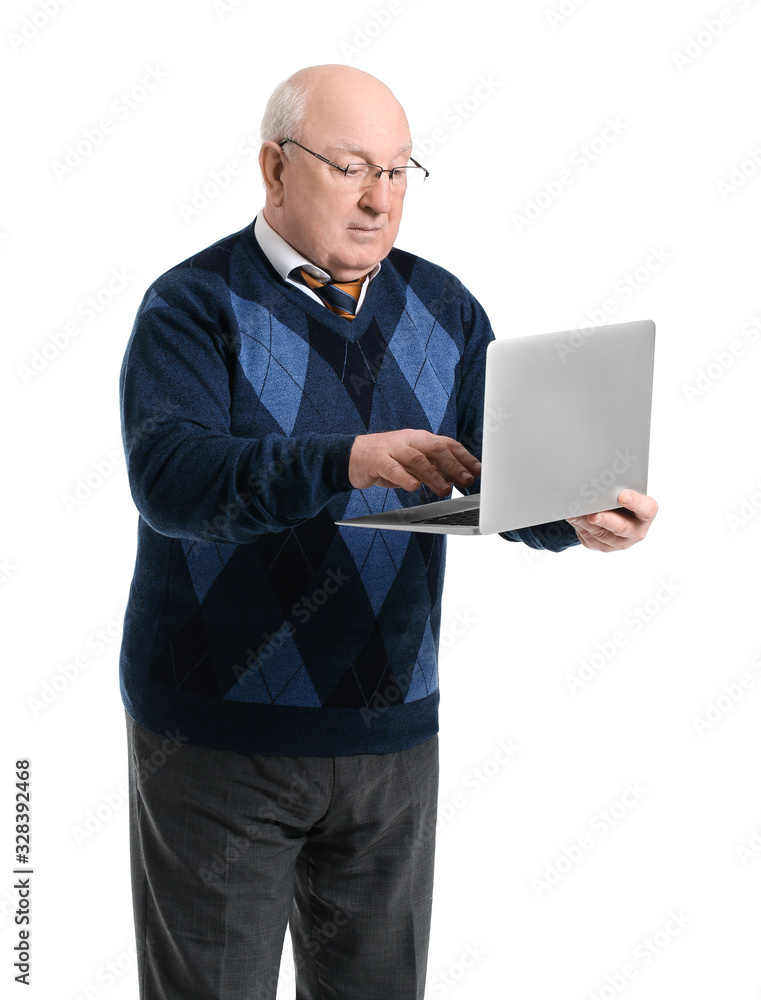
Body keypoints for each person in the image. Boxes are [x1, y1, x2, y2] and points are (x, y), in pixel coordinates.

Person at [118, 64, 658, 1000]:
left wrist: (574, 514)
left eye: (400, 172)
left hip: (390, 738)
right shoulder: (191, 307)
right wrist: (345, 460)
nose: (378, 200)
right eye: (350, 167)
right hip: (216, 740)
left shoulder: (443, 306)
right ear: (272, 167)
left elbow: (492, 477)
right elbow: (175, 485)